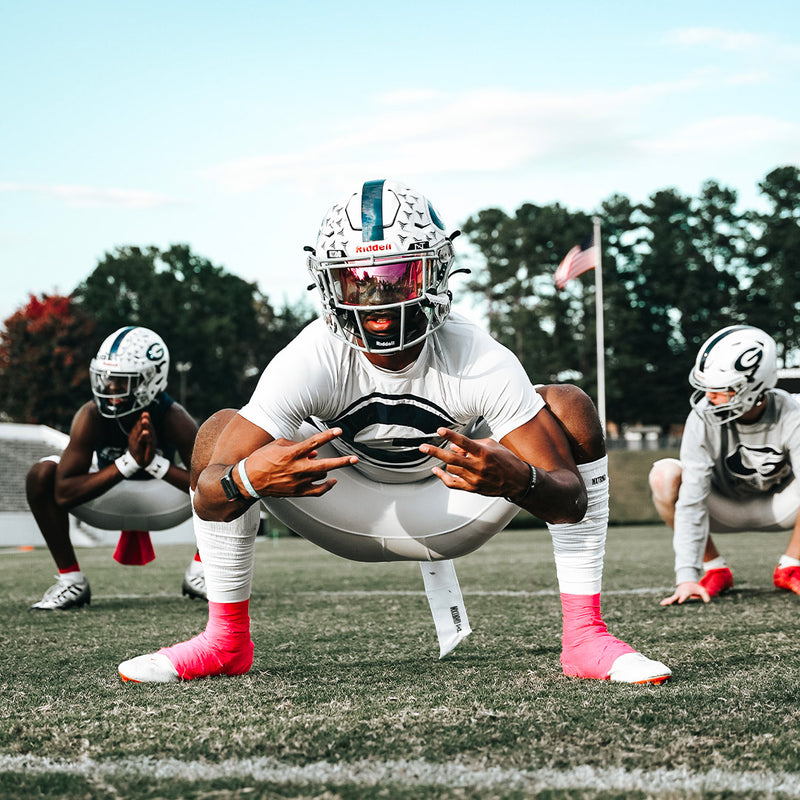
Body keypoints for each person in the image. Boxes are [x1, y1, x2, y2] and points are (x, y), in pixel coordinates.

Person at [118, 179, 670, 684]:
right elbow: (212, 498)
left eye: (394, 276)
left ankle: (584, 636)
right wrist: (244, 479)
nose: (376, 303)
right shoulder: (312, 355)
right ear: (327, 283)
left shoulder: (476, 355)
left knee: (568, 404)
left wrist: (520, 480)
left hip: (453, 502)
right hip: (340, 503)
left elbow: (571, 501)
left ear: (434, 274)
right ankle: (225, 641)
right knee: (221, 432)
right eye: (355, 281)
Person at [26, 325, 206, 610]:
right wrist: (130, 462)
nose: (109, 388)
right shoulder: (91, 415)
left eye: (122, 381)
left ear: (151, 381)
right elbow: (63, 493)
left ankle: (201, 572)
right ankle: (71, 580)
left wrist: (155, 465)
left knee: (232, 476)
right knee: (41, 474)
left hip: (161, 502)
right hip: (108, 498)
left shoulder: (174, 417)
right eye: (106, 378)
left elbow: (210, 486)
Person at [651, 325, 800, 605]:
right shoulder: (702, 417)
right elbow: (692, 498)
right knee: (664, 475)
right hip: (722, 507)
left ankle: (792, 564)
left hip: (781, 507)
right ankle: (715, 568)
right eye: (707, 387)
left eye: (720, 389)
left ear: (753, 388)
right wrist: (686, 576)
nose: (709, 397)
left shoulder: (791, 413)